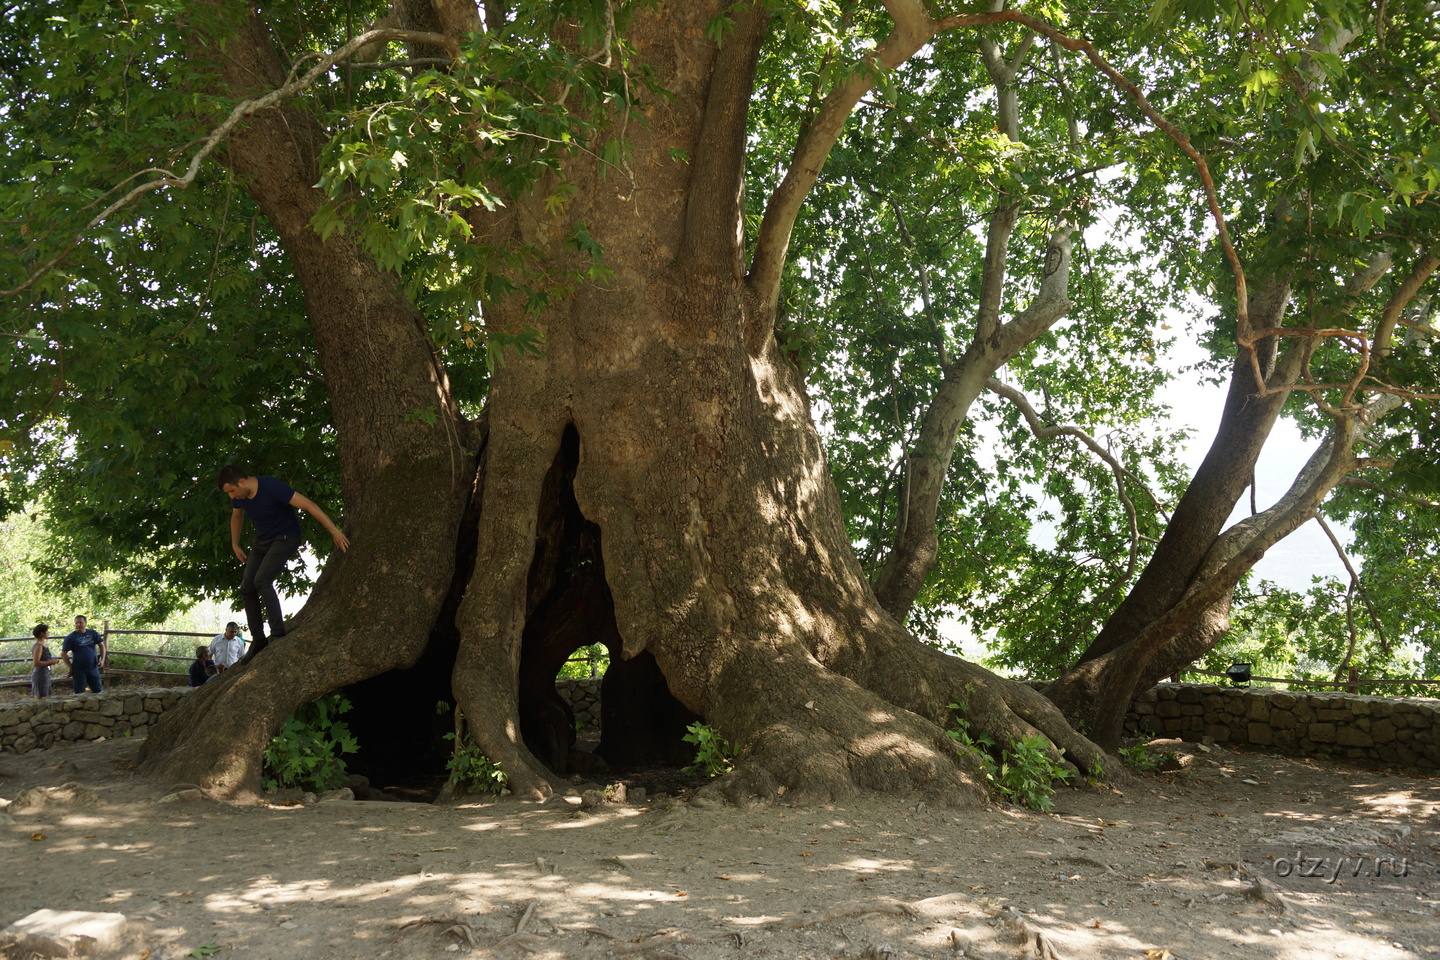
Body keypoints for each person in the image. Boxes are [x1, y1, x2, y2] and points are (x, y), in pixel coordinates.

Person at [216, 465, 350, 660]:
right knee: (247, 587)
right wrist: (235, 543)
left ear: (242, 482)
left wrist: (334, 531)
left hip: (286, 537)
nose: (231, 497)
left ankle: (277, 634)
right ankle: (259, 639)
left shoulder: (271, 487)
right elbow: (237, 515)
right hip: (262, 541)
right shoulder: (239, 497)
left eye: (232, 491)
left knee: (261, 580)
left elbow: (309, 505)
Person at [60, 615, 106, 694]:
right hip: (79, 669)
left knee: (98, 691)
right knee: (79, 693)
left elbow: (102, 645)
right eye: (76, 623)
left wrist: (102, 660)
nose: (78, 624)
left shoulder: (92, 633)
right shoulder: (71, 637)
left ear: (85, 623)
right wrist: (70, 667)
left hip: (93, 667)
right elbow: (63, 654)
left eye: (80, 622)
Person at [30, 623, 61, 699]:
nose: (48, 633)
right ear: (42, 633)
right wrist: (51, 662)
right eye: (47, 631)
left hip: (44, 673)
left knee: (44, 696)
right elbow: (36, 662)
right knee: (40, 698)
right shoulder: (39, 646)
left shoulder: (41, 645)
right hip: (40, 674)